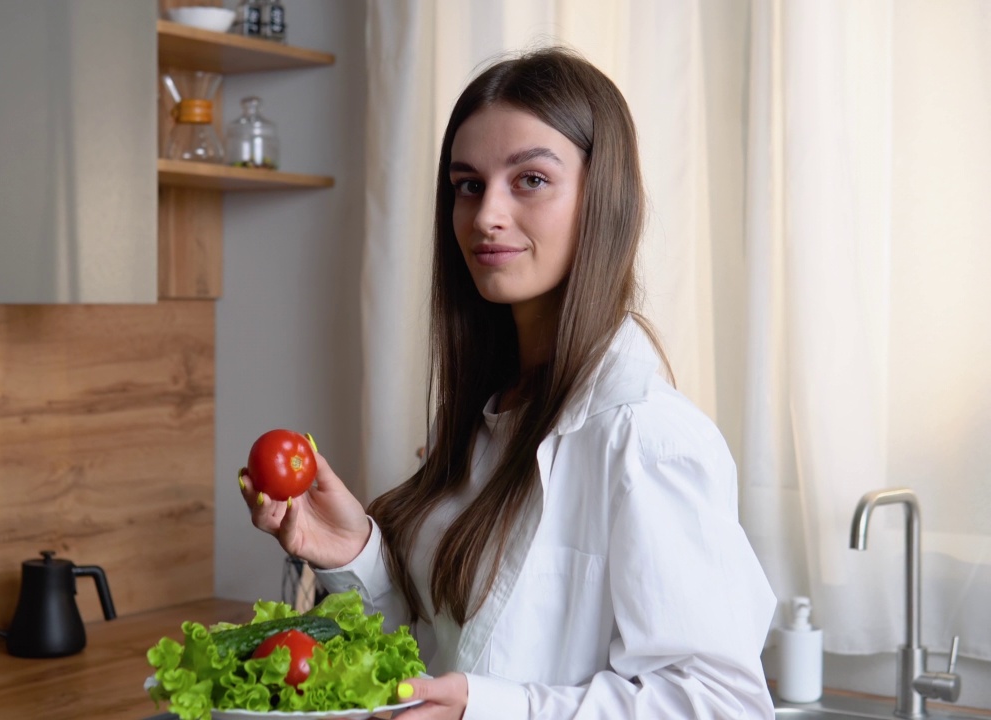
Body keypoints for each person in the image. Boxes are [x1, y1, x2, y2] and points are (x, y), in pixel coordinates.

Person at [239, 46, 776, 719]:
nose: (486, 214)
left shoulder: (647, 437)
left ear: (601, 199)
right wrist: (355, 555)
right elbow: (444, 655)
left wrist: (491, 709)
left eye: (530, 180)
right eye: (468, 184)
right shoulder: (487, 418)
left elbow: (721, 706)